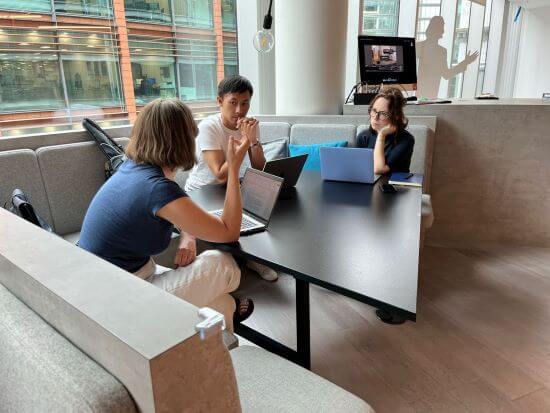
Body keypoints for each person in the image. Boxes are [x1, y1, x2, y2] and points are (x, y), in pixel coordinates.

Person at [78, 98, 253, 331]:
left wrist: (188, 238)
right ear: (182, 139)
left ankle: (216, 358)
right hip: (120, 299)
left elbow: (180, 213)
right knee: (224, 265)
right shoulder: (157, 188)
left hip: (110, 282)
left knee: (222, 305)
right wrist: (232, 168)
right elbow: (229, 232)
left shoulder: (132, 169)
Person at [185, 75, 279, 282]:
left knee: (266, 203)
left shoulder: (249, 125)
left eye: (245, 103)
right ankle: (252, 260)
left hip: (231, 185)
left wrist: (253, 140)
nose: (239, 110)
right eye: (233, 103)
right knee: (237, 213)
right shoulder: (209, 127)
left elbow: (259, 166)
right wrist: (246, 140)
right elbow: (219, 173)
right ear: (220, 102)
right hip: (203, 192)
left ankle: (260, 256)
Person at [356, 87, 415, 174]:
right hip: (368, 185)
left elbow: (379, 169)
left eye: (383, 114)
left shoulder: (406, 140)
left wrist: (381, 135)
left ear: (396, 116)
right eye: (374, 111)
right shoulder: (363, 136)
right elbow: (358, 169)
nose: (375, 117)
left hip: (393, 186)